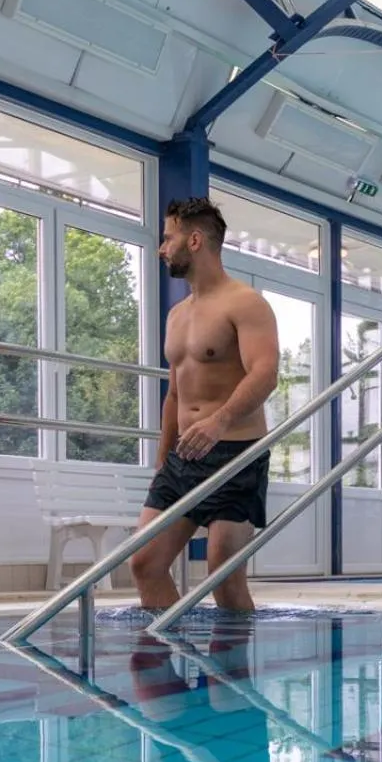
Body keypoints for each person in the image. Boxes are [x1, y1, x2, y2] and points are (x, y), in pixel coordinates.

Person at [132, 196, 280, 612]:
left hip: (235, 454)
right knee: (145, 563)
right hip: (183, 458)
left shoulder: (245, 303)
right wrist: (163, 461)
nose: (162, 249)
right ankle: (170, 653)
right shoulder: (177, 315)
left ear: (194, 240)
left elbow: (265, 374)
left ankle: (232, 657)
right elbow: (175, 394)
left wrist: (220, 421)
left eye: (168, 238)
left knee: (223, 577)